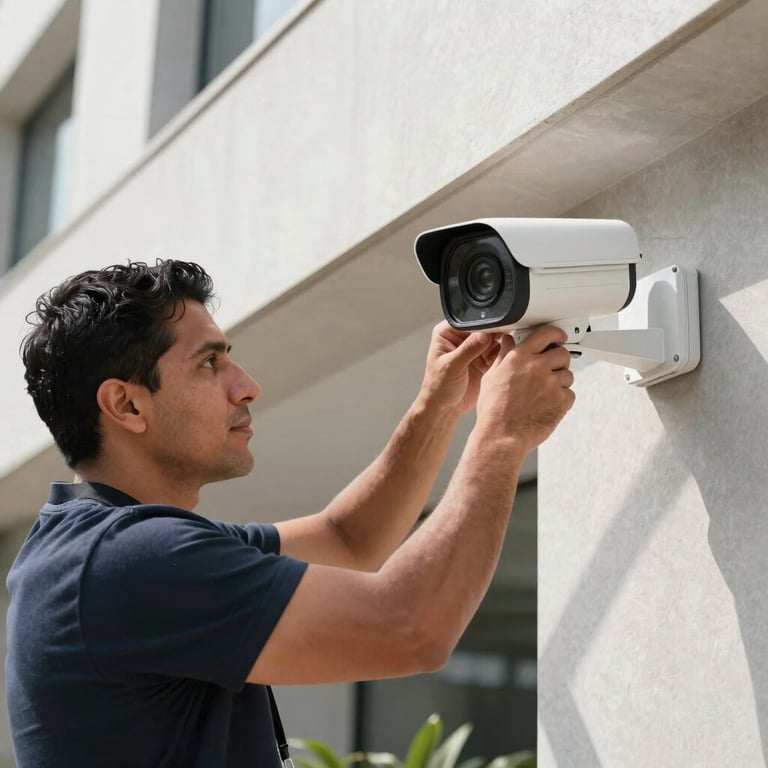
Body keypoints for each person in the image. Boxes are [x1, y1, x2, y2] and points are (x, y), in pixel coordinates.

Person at [7, 259, 574, 767]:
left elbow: (348, 539)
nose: (247, 387)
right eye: (209, 364)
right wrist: (501, 437)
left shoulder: (104, 548)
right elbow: (410, 628)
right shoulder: (127, 560)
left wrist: (438, 406)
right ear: (127, 404)